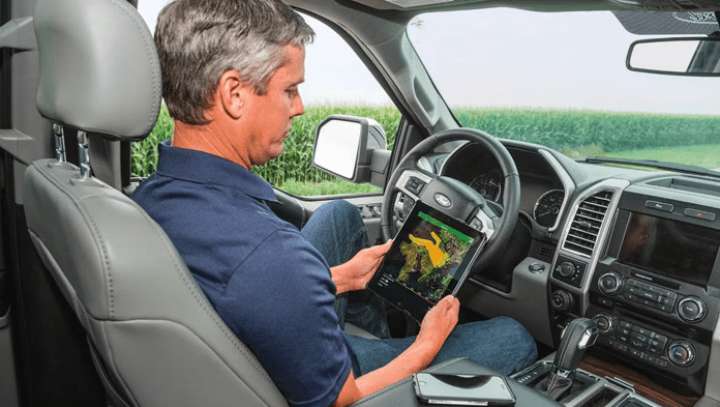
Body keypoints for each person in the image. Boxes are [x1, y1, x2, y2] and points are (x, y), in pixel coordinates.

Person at [133, 1, 537, 406]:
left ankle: (380, 332)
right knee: (513, 338)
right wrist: (426, 345)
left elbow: (251, 292)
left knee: (339, 215)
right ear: (234, 94)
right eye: (289, 89)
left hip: (256, 340)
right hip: (333, 381)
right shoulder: (271, 255)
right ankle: (390, 347)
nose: (299, 107)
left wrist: (342, 277)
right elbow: (343, 400)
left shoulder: (150, 197)